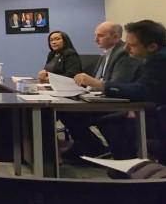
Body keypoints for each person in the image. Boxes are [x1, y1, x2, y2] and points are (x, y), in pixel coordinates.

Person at [59, 22, 143, 159]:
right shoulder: (106, 54)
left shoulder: (123, 53)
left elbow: (117, 85)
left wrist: (92, 82)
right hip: (102, 99)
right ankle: (91, 146)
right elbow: (99, 81)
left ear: (115, 36)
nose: (95, 39)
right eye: (95, 35)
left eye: (100, 36)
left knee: (70, 113)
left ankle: (93, 147)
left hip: (119, 105)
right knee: (66, 111)